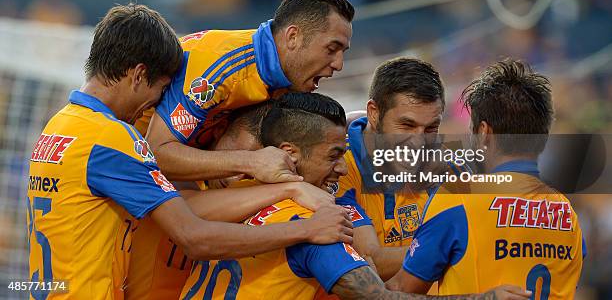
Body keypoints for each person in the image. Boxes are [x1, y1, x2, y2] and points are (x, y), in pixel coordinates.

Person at [26, 4, 353, 299]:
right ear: (139, 75)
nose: (156, 104)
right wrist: (307, 229)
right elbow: (195, 237)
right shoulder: (113, 140)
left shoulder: (59, 127)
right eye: (161, 89)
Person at [180, 92, 530, 300]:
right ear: (290, 152)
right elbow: (378, 297)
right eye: (333, 155)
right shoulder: (318, 229)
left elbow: (186, 213)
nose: (343, 168)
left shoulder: (238, 192)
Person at [386, 59, 585, 299]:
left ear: (483, 133)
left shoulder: (460, 199)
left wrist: (348, 264)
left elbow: (399, 291)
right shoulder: (568, 215)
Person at [140, 0, 354, 183]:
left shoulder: (288, 79)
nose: (339, 64)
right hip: (135, 163)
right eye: (331, 49)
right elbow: (158, 152)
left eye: (342, 52)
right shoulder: (219, 67)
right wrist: (249, 162)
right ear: (293, 37)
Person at [126, 102, 337, 299]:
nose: (242, 174)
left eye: (264, 166)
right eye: (244, 157)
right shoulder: (169, 175)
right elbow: (189, 210)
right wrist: (292, 189)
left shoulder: (262, 193)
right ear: (221, 130)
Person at [333, 58, 466, 280]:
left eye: (431, 128)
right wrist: (452, 247)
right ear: (374, 113)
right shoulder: (337, 167)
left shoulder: (448, 168)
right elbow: (370, 260)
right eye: (407, 125)